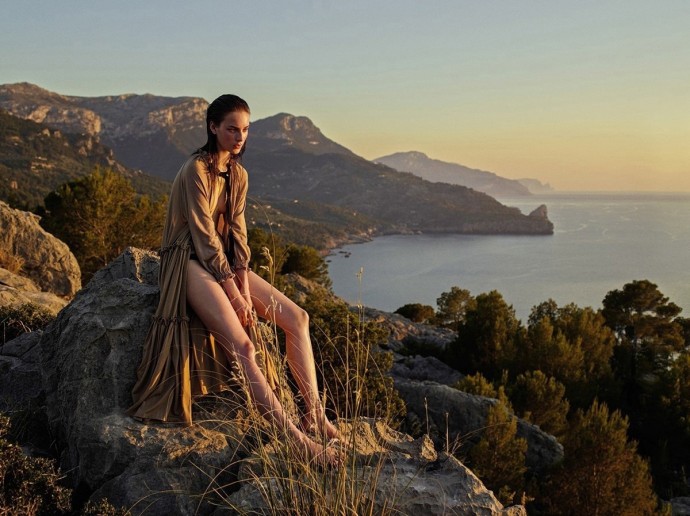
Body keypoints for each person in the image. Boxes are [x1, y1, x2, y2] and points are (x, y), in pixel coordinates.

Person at [127, 94, 341, 467]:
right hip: (187, 259)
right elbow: (204, 236)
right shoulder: (195, 170)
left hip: (223, 262)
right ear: (213, 127)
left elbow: (238, 234)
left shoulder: (239, 175)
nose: (239, 137)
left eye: (245, 130)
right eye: (232, 129)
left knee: (298, 319)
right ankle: (298, 443)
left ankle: (314, 414)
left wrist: (242, 285)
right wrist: (235, 295)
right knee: (244, 347)